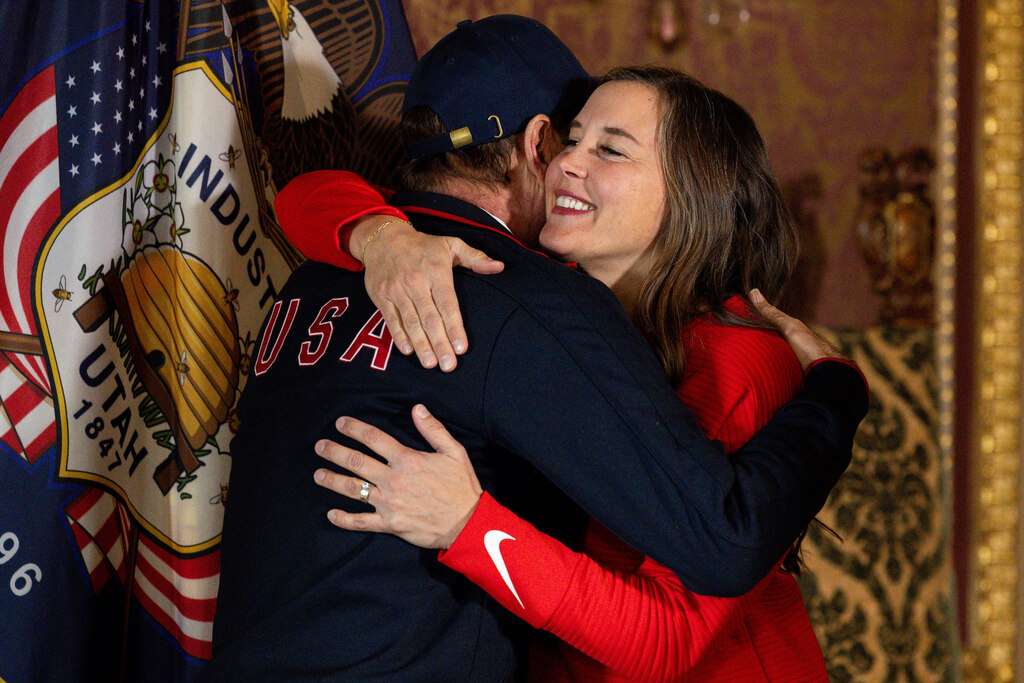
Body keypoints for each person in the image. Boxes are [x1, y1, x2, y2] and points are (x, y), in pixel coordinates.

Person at [208, 15, 866, 682]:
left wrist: (839, 391)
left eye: (610, 150)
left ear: (691, 191)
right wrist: (374, 231)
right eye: (571, 138)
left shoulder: (728, 354)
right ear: (536, 142)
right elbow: (307, 194)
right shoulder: (510, 290)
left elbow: (680, 620)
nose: (570, 164)